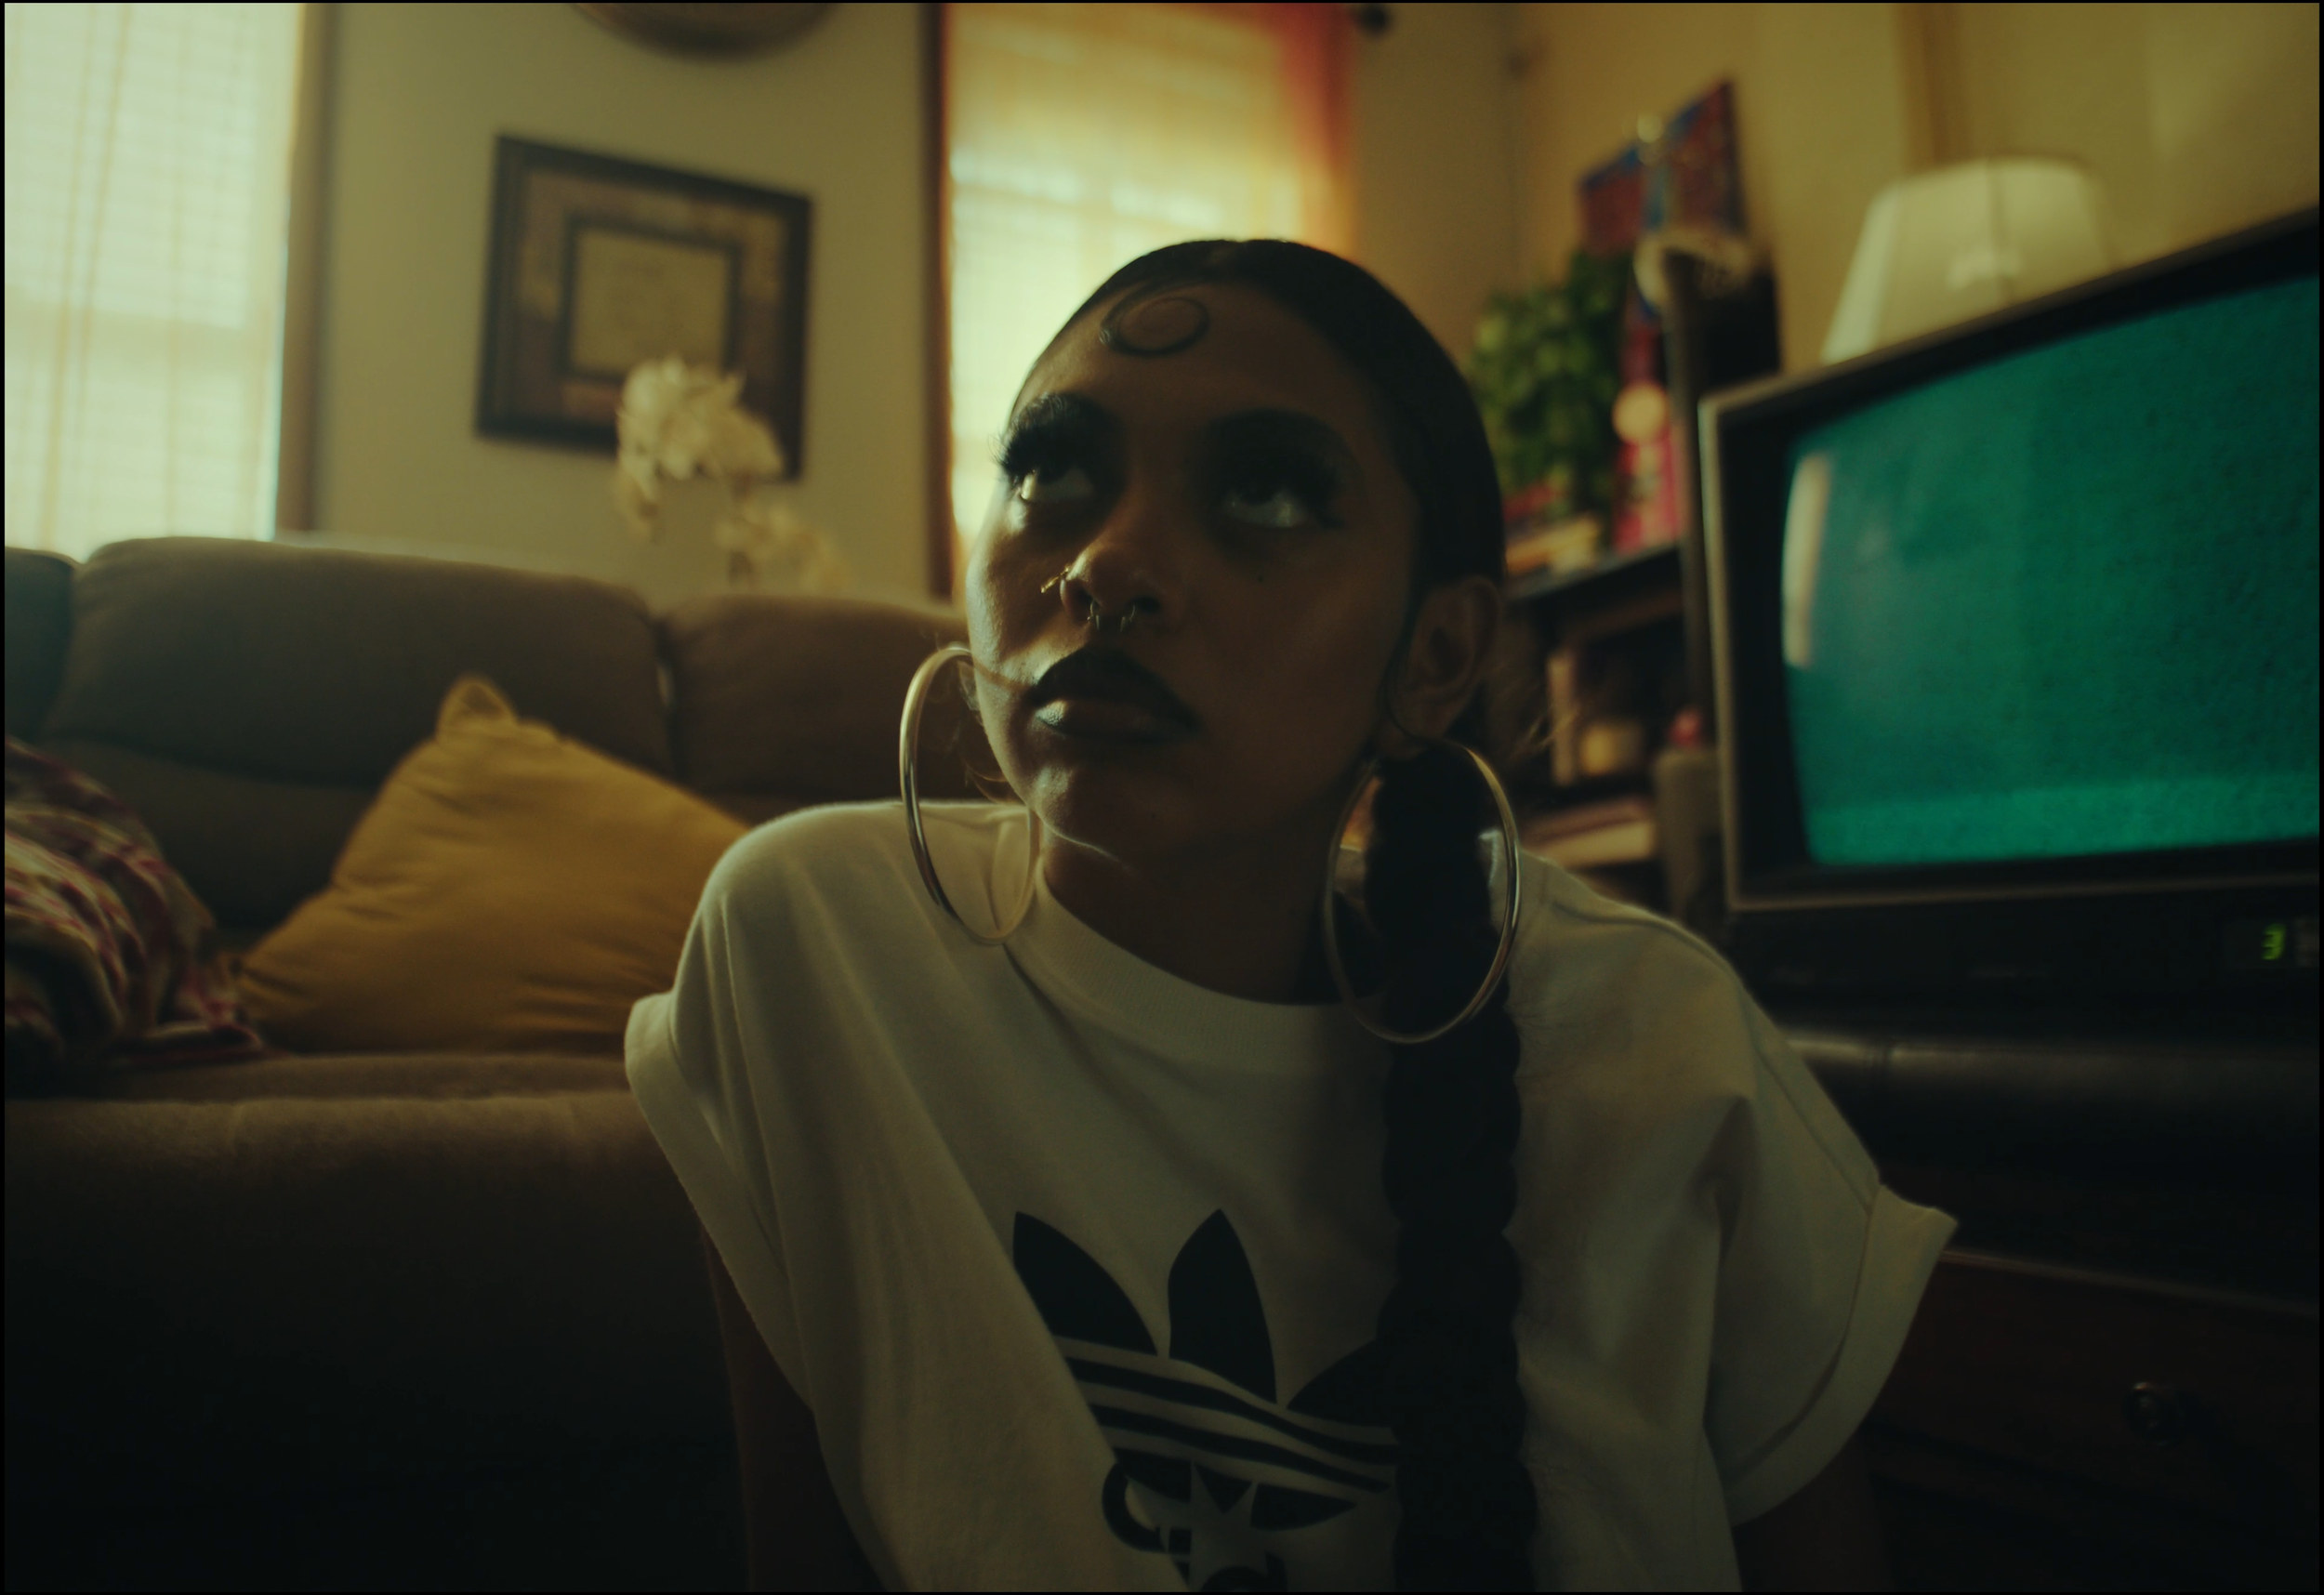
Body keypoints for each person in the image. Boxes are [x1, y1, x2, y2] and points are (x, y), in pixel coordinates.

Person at [626, 240, 1955, 1592]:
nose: (1107, 562)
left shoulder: (1658, 1041)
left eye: (1264, 491)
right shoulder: (813, 947)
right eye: (1048, 474)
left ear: (1436, 656)